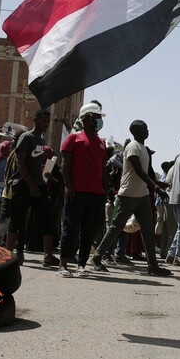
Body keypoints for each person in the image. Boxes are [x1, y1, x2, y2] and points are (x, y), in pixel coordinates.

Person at [90, 121, 172, 276]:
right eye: (144, 129)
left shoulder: (144, 149)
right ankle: (97, 256)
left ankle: (153, 266)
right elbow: (139, 171)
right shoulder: (133, 147)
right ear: (135, 130)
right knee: (116, 227)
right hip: (128, 194)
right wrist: (156, 187)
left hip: (142, 196)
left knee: (148, 231)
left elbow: (146, 172)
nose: (147, 131)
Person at [58, 103, 109, 278]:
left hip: (95, 193)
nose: (98, 121)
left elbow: (102, 168)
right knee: (71, 227)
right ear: (87, 118)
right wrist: (67, 185)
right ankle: (63, 265)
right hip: (76, 190)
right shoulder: (74, 138)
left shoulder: (101, 143)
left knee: (89, 230)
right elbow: (65, 162)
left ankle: (81, 265)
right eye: (97, 117)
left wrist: (105, 189)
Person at [5, 109, 58, 267]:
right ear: (35, 120)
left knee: (47, 219)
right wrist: (31, 185)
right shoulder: (26, 137)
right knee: (17, 220)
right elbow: (21, 164)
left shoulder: (41, 139)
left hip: (39, 184)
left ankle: (48, 256)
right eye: (43, 121)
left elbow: (36, 165)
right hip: (23, 184)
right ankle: (8, 255)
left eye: (48, 121)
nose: (46, 124)